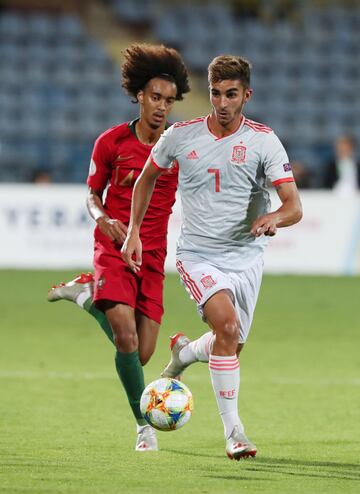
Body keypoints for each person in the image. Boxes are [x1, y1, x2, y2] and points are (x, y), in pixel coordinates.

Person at [121, 54, 302, 461]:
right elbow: (147, 178)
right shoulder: (181, 136)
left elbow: (294, 206)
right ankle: (234, 433)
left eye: (231, 94)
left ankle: (185, 353)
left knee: (230, 344)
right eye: (216, 93)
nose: (221, 102)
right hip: (198, 255)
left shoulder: (263, 141)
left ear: (246, 95)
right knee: (227, 325)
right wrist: (133, 231)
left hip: (247, 258)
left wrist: (274, 217)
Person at [47, 43, 190, 451]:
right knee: (125, 339)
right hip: (112, 246)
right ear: (139, 96)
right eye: (155, 97)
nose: (162, 106)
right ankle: (143, 425)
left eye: (169, 100)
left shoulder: (178, 149)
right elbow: (92, 194)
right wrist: (104, 219)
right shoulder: (111, 142)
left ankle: (86, 297)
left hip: (154, 254)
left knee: (142, 354)